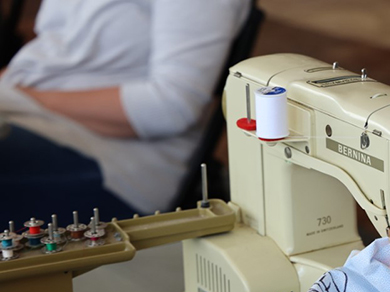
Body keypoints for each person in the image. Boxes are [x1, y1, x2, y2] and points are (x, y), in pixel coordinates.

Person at [0, 0, 249, 228]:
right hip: (25, 114)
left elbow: (170, 107)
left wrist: (27, 96)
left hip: (112, 161)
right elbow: (50, 55)